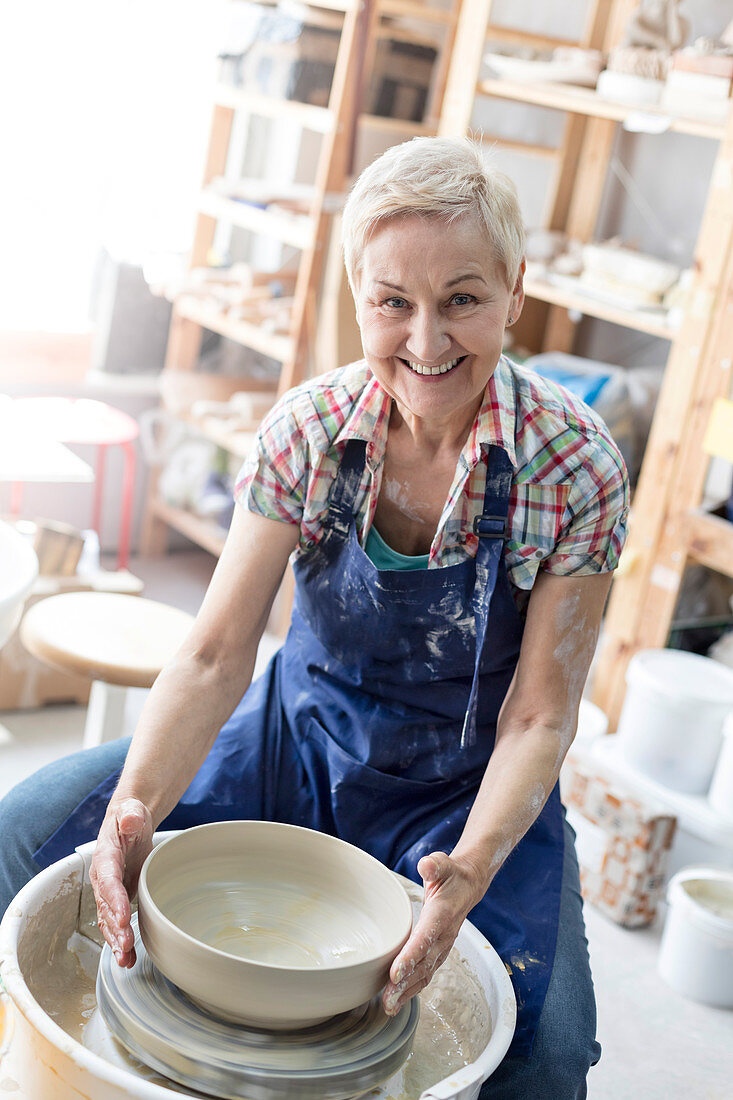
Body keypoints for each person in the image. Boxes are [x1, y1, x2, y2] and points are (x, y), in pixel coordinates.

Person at [0, 136, 628, 1098]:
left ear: (515, 288)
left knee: (541, 1054)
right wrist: (137, 806)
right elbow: (213, 655)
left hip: (462, 788)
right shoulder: (306, 431)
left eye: (462, 298)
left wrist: (469, 869)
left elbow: (538, 717)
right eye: (392, 303)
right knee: (28, 834)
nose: (426, 342)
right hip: (291, 740)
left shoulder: (571, 463)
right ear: (354, 296)